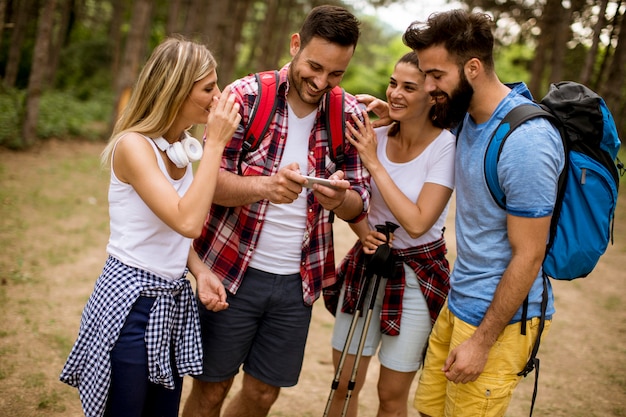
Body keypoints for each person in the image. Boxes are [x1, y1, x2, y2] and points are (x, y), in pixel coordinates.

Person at [181, 5, 370, 417]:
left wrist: (340, 199)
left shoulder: (349, 114)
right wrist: (266, 187)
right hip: (229, 272)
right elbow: (209, 184)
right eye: (314, 67)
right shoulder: (245, 97)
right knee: (211, 391)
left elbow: (361, 200)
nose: (321, 82)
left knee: (264, 395)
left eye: (336, 74)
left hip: (297, 285)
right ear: (295, 44)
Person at [59, 36, 241, 417]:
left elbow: (172, 225)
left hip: (171, 301)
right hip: (130, 304)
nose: (219, 95)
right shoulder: (134, 146)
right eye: (209, 88)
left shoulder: (181, 146)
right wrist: (215, 147)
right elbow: (188, 221)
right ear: (176, 90)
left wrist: (200, 270)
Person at [400, 10, 565, 417]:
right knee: (430, 410)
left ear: (472, 68)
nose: (428, 86)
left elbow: (530, 255)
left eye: (436, 75)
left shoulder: (528, 142)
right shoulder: (468, 118)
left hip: (497, 324)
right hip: (459, 304)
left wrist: (482, 341)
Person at [324, 51, 455, 417]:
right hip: (367, 264)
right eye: (393, 83)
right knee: (343, 384)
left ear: (433, 96)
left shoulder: (445, 146)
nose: (396, 93)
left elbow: (417, 222)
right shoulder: (374, 136)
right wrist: (362, 230)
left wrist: (374, 162)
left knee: (391, 396)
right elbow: (351, 200)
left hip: (416, 275)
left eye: (409, 87)